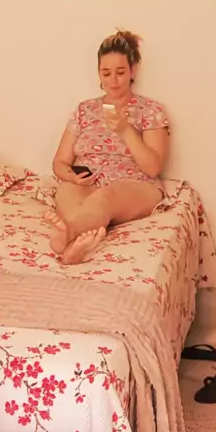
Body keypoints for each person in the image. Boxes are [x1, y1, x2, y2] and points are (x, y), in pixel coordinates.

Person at [45, 30, 170, 264]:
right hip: (88, 184)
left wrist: (125, 129)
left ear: (133, 71)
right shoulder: (84, 110)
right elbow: (59, 162)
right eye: (106, 73)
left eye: (120, 72)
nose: (113, 80)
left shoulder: (150, 110)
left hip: (134, 185)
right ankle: (76, 248)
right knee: (69, 194)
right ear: (99, 74)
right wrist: (71, 176)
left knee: (105, 197)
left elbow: (153, 167)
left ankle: (68, 234)